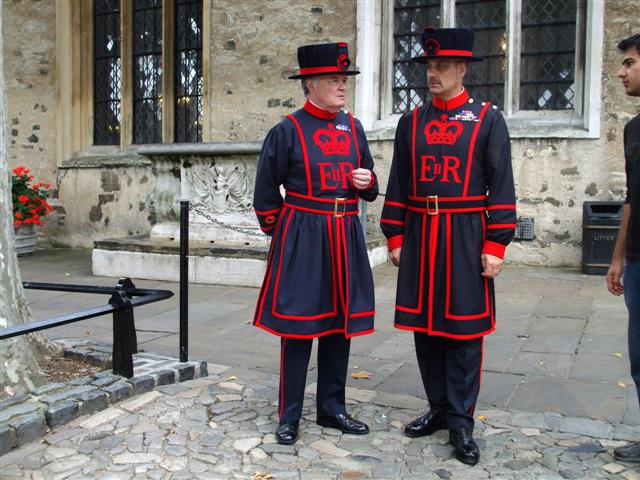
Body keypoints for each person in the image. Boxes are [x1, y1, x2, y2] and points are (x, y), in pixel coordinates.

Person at [380, 27, 516, 466]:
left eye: (441, 66)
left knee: (463, 333)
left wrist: (496, 243)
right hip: (421, 234)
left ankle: (461, 421)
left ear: (462, 69)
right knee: (426, 329)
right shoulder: (411, 122)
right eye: (429, 66)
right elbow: (399, 180)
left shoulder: (487, 119)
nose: (432, 74)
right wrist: (395, 234)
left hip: (465, 236)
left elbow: (501, 185)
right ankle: (438, 408)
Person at [253, 42, 379, 445]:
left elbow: (370, 183)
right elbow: (265, 193)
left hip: (345, 236)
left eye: (344, 80)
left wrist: (368, 183)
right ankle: (289, 415)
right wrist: (285, 235)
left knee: (339, 326)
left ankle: (332, 408)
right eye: (333, 80)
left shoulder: (353, 128)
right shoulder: (286, 131)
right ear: (310, 84)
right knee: (298, 328)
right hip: (303, 237)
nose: (342, 87)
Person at [607, 33, 640, 464]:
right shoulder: (633, 129)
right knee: (639, 359)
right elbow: (632, 197)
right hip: (637, 261)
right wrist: (618, 257)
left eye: (629, 63)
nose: (621, 71)